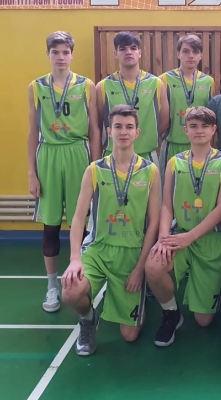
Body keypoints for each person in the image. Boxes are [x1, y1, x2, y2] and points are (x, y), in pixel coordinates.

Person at [61, 105, 161, 356]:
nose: (123, 132)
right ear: (109, 131)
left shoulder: (150, 171)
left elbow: (154, 222)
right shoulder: (94, 169)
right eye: (118, 126)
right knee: (70, 291)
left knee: (129, 335)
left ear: (137, 132)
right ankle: (87, 318)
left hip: (131, 254)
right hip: (98, 250)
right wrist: (75, 259)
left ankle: (135, 301)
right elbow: (77, 218)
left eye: (129, 127)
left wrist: (140, 268)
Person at [145, 107, 221, 347]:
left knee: (204, 321)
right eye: (193, 126)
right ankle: (171, 313)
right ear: (185, 130)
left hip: (210, 240)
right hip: (179, 235)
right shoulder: (175, 162)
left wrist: (190, 237)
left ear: (214, 130)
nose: (199, 130)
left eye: (204, 126)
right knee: (153, 266)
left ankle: (202, 292)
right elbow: (166, 206)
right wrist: (164, 238)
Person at [27, 31, 100, 313]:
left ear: (72, 54)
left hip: (78, 154)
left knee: (84, 223)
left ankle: (83, 279)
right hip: (48, 155)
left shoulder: (86, 86)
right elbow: (33, 131)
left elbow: (95, 130)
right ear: (48, 54)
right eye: (55, 52)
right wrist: (31, 172)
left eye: (65, 52)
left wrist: (96, 167)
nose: (60, 57)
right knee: (51, 226)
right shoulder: (36, 87)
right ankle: (52, 286)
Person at [97, 31, 169, 163]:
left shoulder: (156, 83)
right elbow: (99, 123)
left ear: (139, 53)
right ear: (115, 54)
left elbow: (164, 122)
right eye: (123, 49)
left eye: (133, 48)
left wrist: (144, 139)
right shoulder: (103, 86)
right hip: (113, 155)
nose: (128, 52)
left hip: (147, 155)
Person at [159, 35, 215, 170]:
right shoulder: (164, 79)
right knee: (169, 182)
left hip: (199, 145)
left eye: (195, 52)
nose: (191, 56)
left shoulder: (208, 82)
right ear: (178, 54)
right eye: (186, 51)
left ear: (201, 55)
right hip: (172, 145)